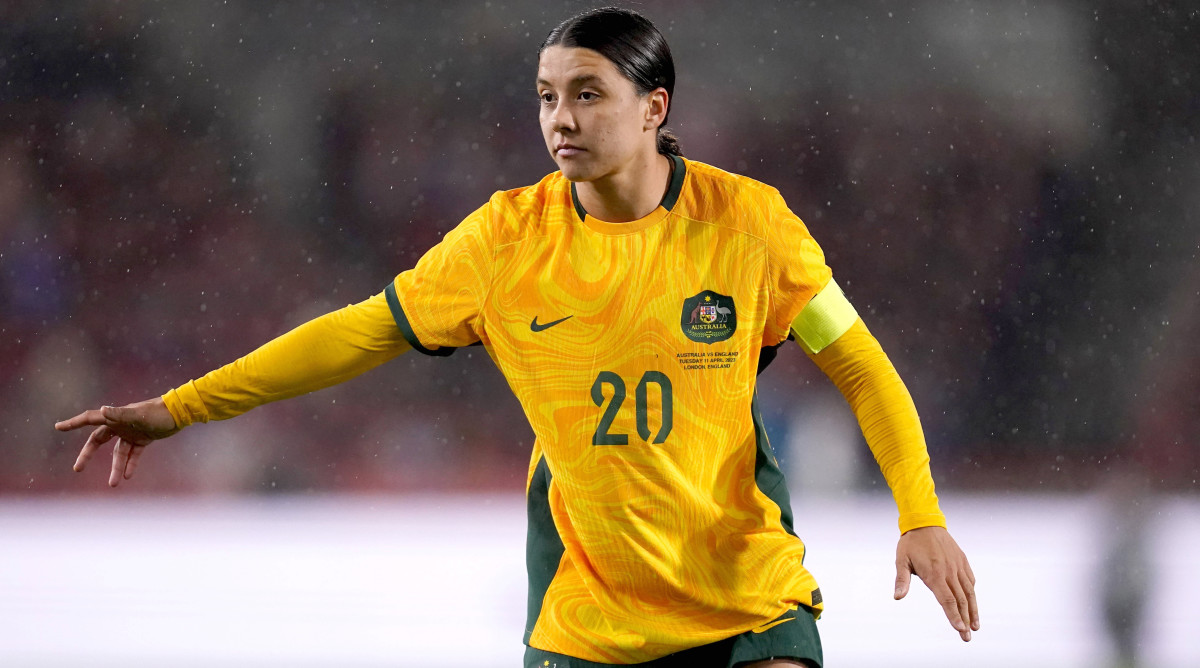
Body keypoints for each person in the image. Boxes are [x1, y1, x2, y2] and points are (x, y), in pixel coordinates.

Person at [56, 7, 978, 667]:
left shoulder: (750, 225)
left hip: (748, 598)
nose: (561, 120)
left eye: (587, 93)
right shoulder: (504, 241)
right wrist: (179, 409)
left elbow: (858, 362)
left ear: (655, 107)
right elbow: (355, 334)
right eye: (546, 97)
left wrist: (921, 513)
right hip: (588, 620)